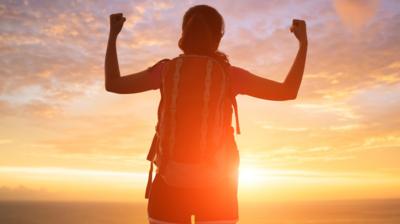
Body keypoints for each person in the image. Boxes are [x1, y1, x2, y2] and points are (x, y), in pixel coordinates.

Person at [105, 4, 307, 224]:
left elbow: (113, 83)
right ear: (218, 38)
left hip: (168, 186)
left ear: (183, 35)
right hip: (218, 189)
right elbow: (287, 91)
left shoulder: (165, 71)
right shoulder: (230, 75)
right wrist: (303, 44)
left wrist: (113, 35)